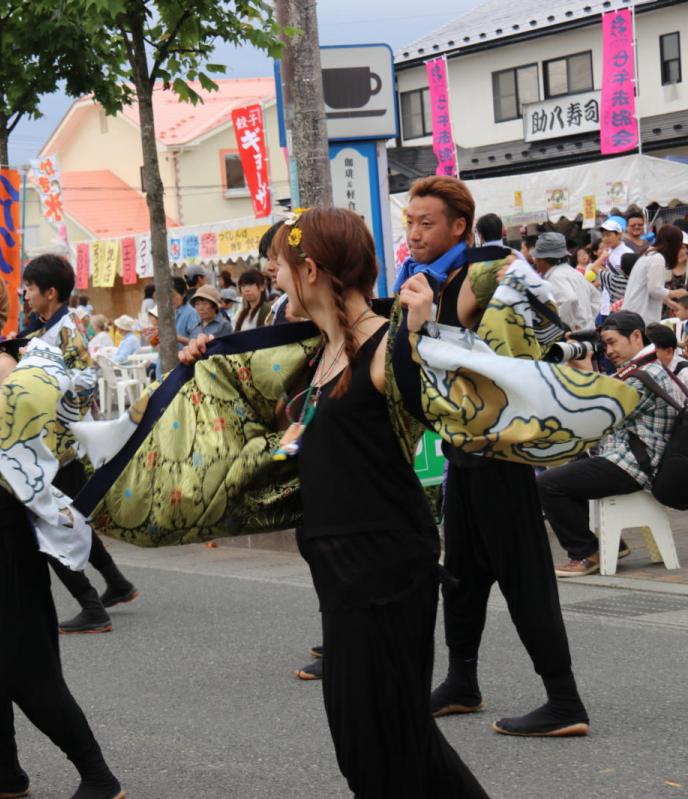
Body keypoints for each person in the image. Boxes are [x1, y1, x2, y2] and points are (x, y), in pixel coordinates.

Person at [182, 208, 488, 797]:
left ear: (311, 270)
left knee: (386, 746)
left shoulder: (387, 344)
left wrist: (424, 332)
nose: (273, 275)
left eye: (280, 264)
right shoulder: (316, 352)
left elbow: (456, 405)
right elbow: (259, 424)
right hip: (341, 573)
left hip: (386, 568)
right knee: (374, 743)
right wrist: (207, 365)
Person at [401, 175, 591, 738]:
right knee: (460, 575)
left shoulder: (489, 268)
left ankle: (565, 701)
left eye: (426, 223)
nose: (414, 232)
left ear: (459, 226)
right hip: (463, 453)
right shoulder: (431, 279)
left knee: (524, 576)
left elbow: (540, 332)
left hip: (501, 454)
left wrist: (444, 322)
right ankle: (462, 682)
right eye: (410, 222)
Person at [0, 263, 124, 799]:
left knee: (24, 667)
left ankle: (98, 776)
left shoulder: (8, 373)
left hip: (5, 539)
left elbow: (47, 458)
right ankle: (6, 770)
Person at [20, 254, 138, 635]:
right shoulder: (46, 327)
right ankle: (116, 583)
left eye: (30, 288)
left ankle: (91, 606)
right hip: (58, 445)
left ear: (50, 292)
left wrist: (52, 403)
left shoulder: (67, 329)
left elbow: (86, 380)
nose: (25, 294)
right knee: (71, 517)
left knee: (48, 526)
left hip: (59, 446)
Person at [539, 311, 686, 577]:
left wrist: (585, 370)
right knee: (570, 471)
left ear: (636, 336)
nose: (608, 351)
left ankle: (586, 553)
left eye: (612, 342)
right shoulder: (644, 368)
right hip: (631, 457)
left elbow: (601, 414)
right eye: (604, 345)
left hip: (636, 466)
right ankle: (612, 545)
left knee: (549, 484)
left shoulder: (644, 376)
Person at [530, 232, 600, 331]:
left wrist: (566, 329)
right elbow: (596, 297)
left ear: (543, 260)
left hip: (574, 336)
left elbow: (568, 299)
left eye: (536, 258)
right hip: (587, 331)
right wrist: (587, 320)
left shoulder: (556, 277)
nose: (535, 261)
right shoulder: (573, 272)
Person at [622, 225, 688, 324]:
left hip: (634, 310)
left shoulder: (649, 254)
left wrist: (668, 302)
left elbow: (652, 288)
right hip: (641, 313)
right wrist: (675, 293)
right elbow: (655, 289)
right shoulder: (657, 259)